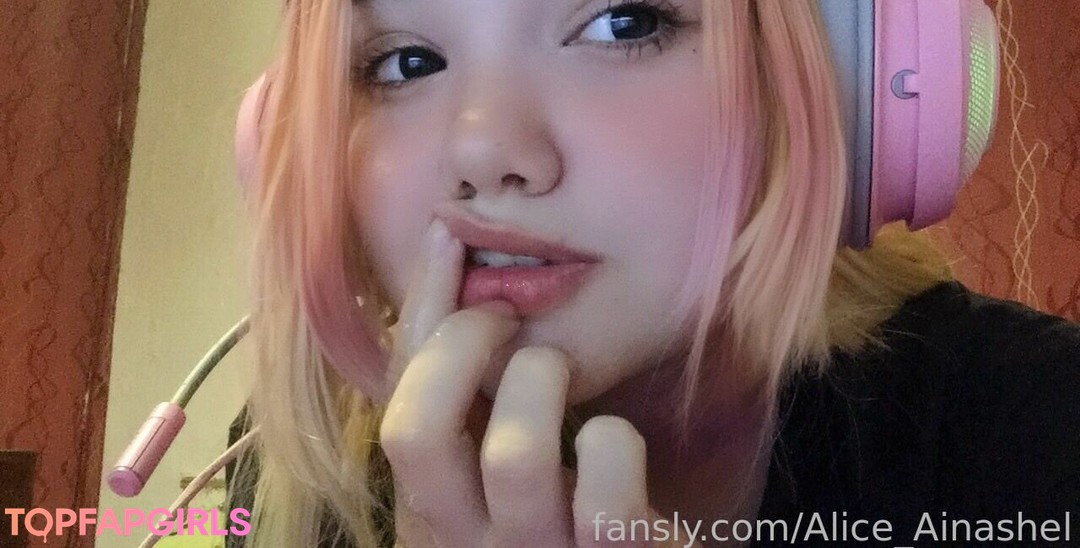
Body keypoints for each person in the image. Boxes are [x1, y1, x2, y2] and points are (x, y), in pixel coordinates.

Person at [227, 0, 1080, 546]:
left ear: (836, 81)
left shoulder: (1039, 428)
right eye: (403, 63)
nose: (483, 152)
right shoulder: (293, 483)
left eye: (624, 23)